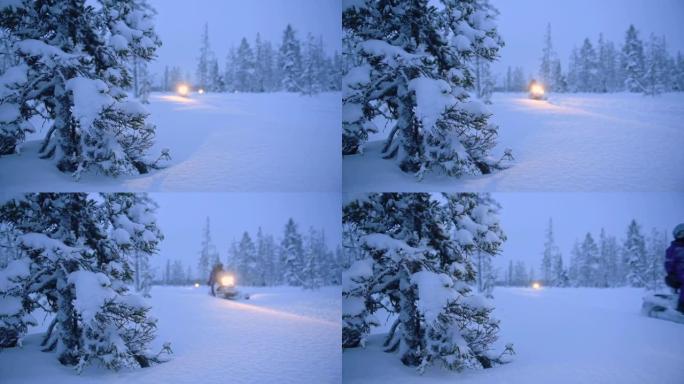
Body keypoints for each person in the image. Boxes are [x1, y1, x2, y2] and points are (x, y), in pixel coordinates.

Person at [665, 223, 684, 313]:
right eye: (681, 234)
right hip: (678, 274)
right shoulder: (673, 248)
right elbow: (668, 263)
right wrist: (670, 273)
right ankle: (682, 306)